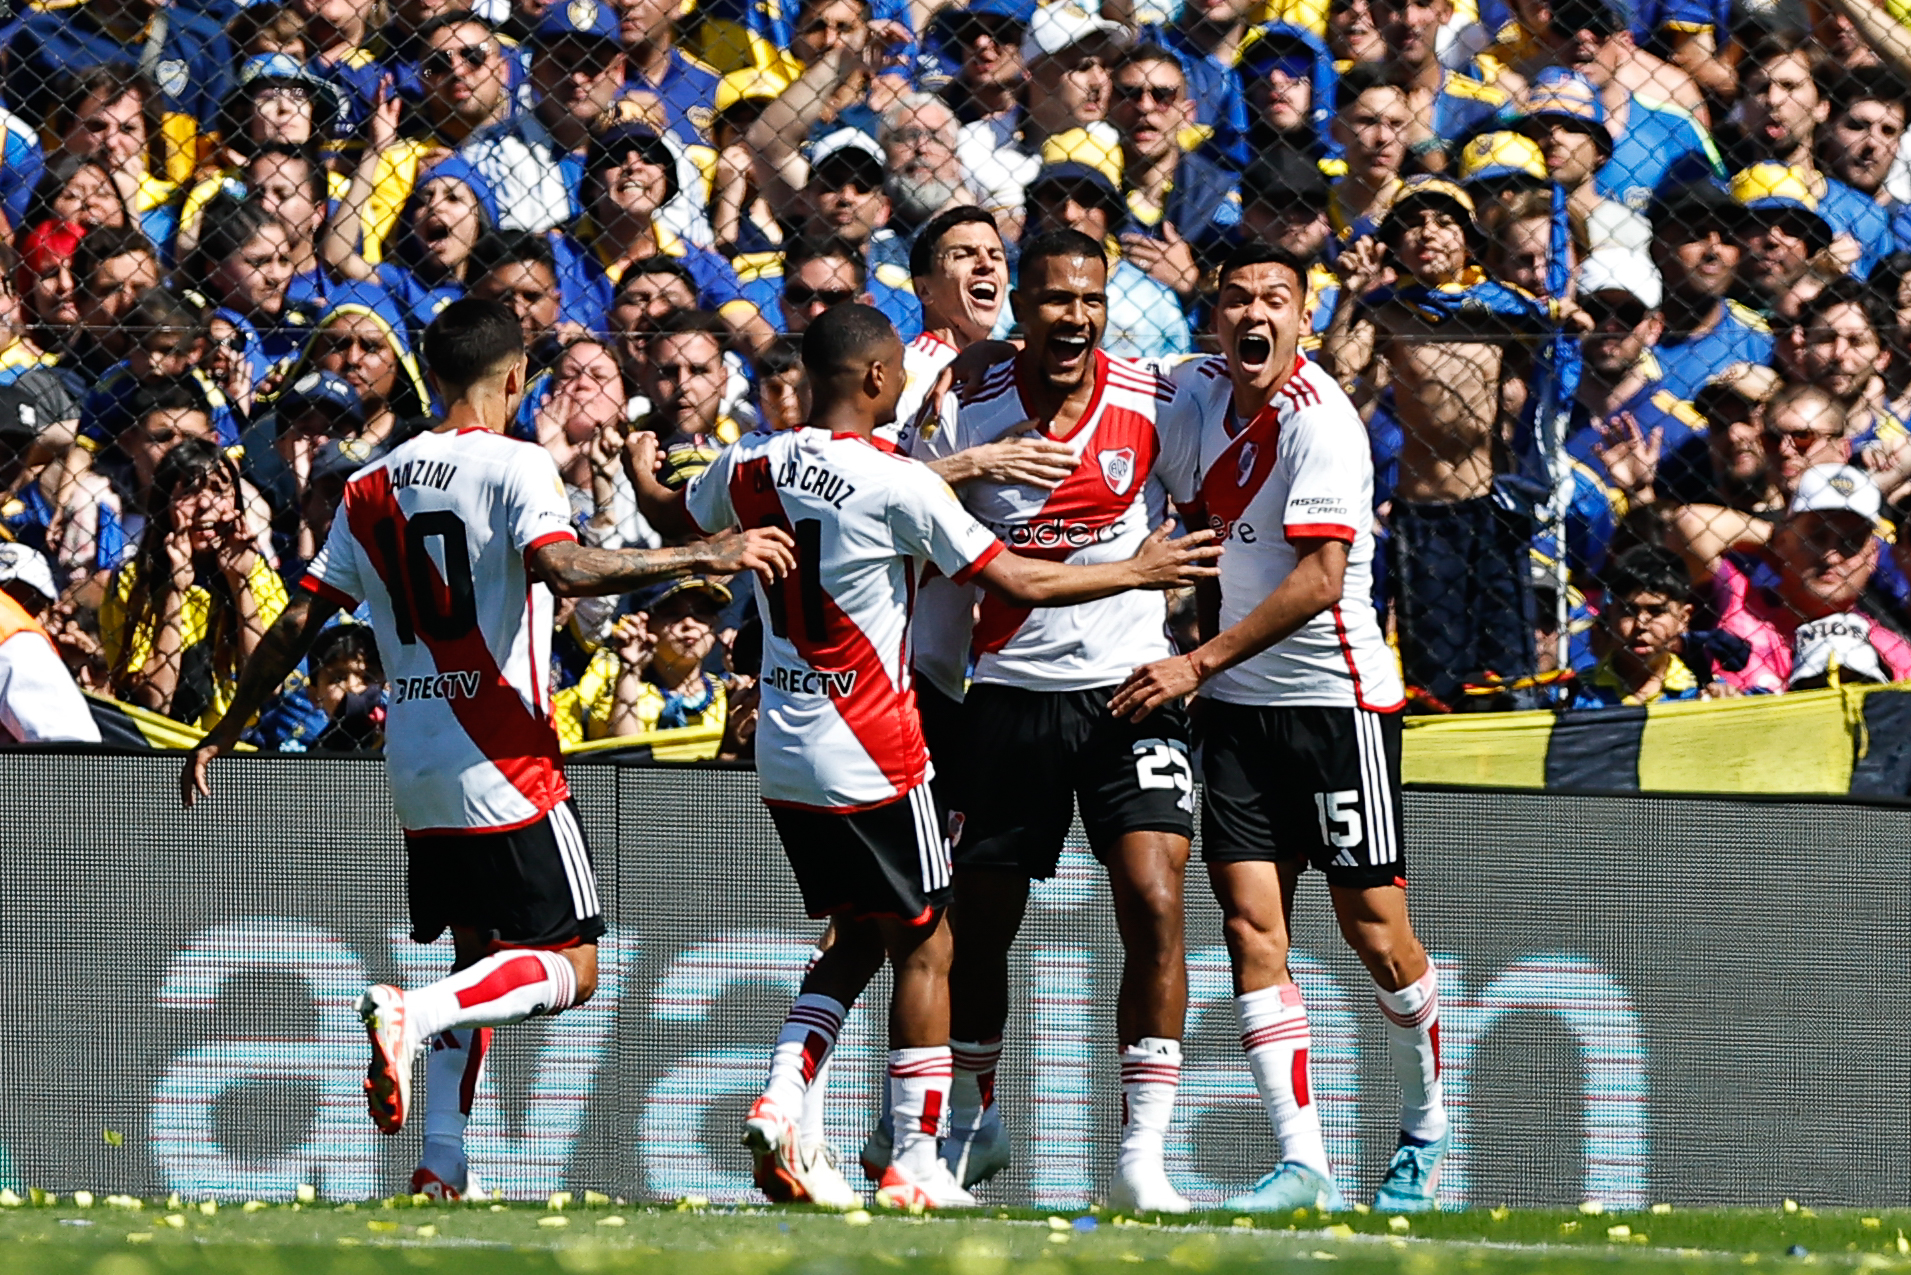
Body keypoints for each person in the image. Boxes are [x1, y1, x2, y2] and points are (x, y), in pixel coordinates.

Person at [179, 297, 798, 1199]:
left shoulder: (369, 484)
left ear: (430, 374)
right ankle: (411, 1013)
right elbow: (567, 567)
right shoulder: (518, 463)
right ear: (514, 379)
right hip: (505, 754)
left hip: (417, 764)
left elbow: (296, 625)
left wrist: (225, 731)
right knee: (572, 967)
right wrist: (704, 554)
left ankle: (440, 1161)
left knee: (480, 960)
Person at [626, 299, 1219, 1211]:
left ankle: (786, 1093)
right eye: (895, 370)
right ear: (872, 378)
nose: (904, 382)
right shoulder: (899, 482)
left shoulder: (749, 461)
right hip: (873, 743)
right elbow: (1018, 578)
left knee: (864, 927)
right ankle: (912, 1158)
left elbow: (677, 515)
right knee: (928, 942)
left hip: (781, 746)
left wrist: (638, 471)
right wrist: (1136, 572)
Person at [1115, 239, 1446, 1214]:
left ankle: (1425, 1121)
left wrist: (1195, 662)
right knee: (1251, 927)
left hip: (1336, 708)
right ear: (1213, 315)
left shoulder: (1323, 423)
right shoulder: (1194, 391)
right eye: (1235, 299)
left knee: (1376, 935)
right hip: (1237, 716)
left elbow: (1318, 580)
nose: (1253, 313)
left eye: (1274, 298)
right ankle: (1305, 1164)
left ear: (1302, 318)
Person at [891, 229, 1206, 1210]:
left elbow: (1221, 499)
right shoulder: (967, 402)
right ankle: (979, 1123)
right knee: (981, 928)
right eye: (1056, 299)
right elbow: (891, 497)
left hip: (1131, 695)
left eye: (1091, 299)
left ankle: (1141, 1160)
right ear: (1021, 307)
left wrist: (1194, 654)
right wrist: (964, 449)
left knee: (1155, 901)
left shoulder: (1160, 399)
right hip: (1010, 701)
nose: (1075, 316)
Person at [1323, 176, 1560, 709]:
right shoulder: (1389, 310)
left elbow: (1547, 362)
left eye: (1444, 222)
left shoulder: (1505, 309)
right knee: (1436, 663)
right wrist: (1348, 294)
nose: (1427, 234)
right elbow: (1338, 371)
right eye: (1411, 225)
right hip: (1423, 509)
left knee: (1507, 657)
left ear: (1470, 240)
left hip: (1491, 505)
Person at [1668, 462, 1911, 693]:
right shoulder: (1735, 603)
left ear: (1871, 557)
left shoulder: (1892, 651)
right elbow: (1692, 525)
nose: (1832, 557)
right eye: (1816, 536)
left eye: (1850, 542)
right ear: (1783, 539)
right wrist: (1774, 543)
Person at [102, 436, 286, 728]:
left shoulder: (259, 575)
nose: (205, 505)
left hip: (240, 744)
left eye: (218, 490)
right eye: (188, 491)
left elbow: (269, 686)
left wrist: (239, 584)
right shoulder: (134, 580)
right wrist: (175, 590)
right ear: (165, 503)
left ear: (236, 502)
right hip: (159, 739)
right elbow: (156, 700)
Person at [1648, 182, 1773, 402]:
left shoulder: (1761, 340)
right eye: (1696, 235)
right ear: (1658, 248)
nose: (1714, 250)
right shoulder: (1624, 334)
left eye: (1726, 238)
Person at [1570, 545, 1710, 708]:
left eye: (1656, 611)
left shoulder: (1702, 694)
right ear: (1609, 614)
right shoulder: (1576, 693)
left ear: (1683, 618)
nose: (1641, 624)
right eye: (1629, 611)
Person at [0, 542, 101, 744]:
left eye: (31, 604)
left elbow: (69, 755)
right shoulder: (16, 640)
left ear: (52, 613)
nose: (20, 613)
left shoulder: (18, 641)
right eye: (10, 599)